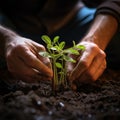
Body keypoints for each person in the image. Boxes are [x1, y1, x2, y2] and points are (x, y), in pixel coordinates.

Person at [0, 0, 119, 84]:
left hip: (73, 19)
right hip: (11, 25)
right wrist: (7, 39)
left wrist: (95, 40)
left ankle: (83, 55)